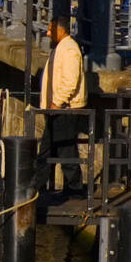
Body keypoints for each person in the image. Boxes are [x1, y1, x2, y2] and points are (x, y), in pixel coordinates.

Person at [38, 16, 88, 196]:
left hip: (64, 109)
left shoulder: (69, 50)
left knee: (66, 151)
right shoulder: (60, 48)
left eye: (51, 29)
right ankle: (38, 186)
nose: (48, 33)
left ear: (61, 30)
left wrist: (56, 102)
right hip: (56, 109)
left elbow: (70, 81)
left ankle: (74, 189)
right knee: (46, 150)